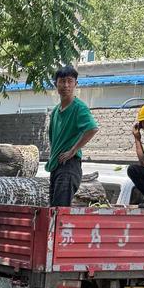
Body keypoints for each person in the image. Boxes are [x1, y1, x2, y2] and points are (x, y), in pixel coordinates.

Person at [46, 65, 99, 205]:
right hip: (57, 165)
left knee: (59, 210)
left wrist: (73, 150)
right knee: (54, 211)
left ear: (76, 84)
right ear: (55, 84)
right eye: (62, 81)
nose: (66, 85)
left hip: (69, 166)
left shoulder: (79, 107)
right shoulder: (56, 111)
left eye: (70, 81)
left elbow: (92, 129)